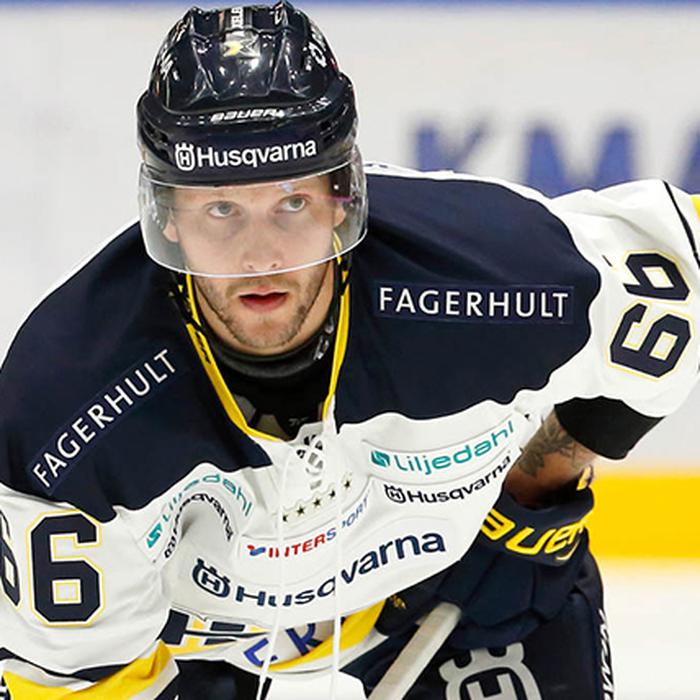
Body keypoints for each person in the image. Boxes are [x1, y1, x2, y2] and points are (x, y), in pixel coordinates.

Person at [0, 3, 698, 698]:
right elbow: (76, 680)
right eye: (220, 209)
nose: (260, 257)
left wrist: (540, 481)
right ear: (167, 217)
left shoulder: (495, 277)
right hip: (190, 648)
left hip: (453, 593)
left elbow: (681, 275)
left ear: (341, 198)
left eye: (291, 204)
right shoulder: (66, 417)